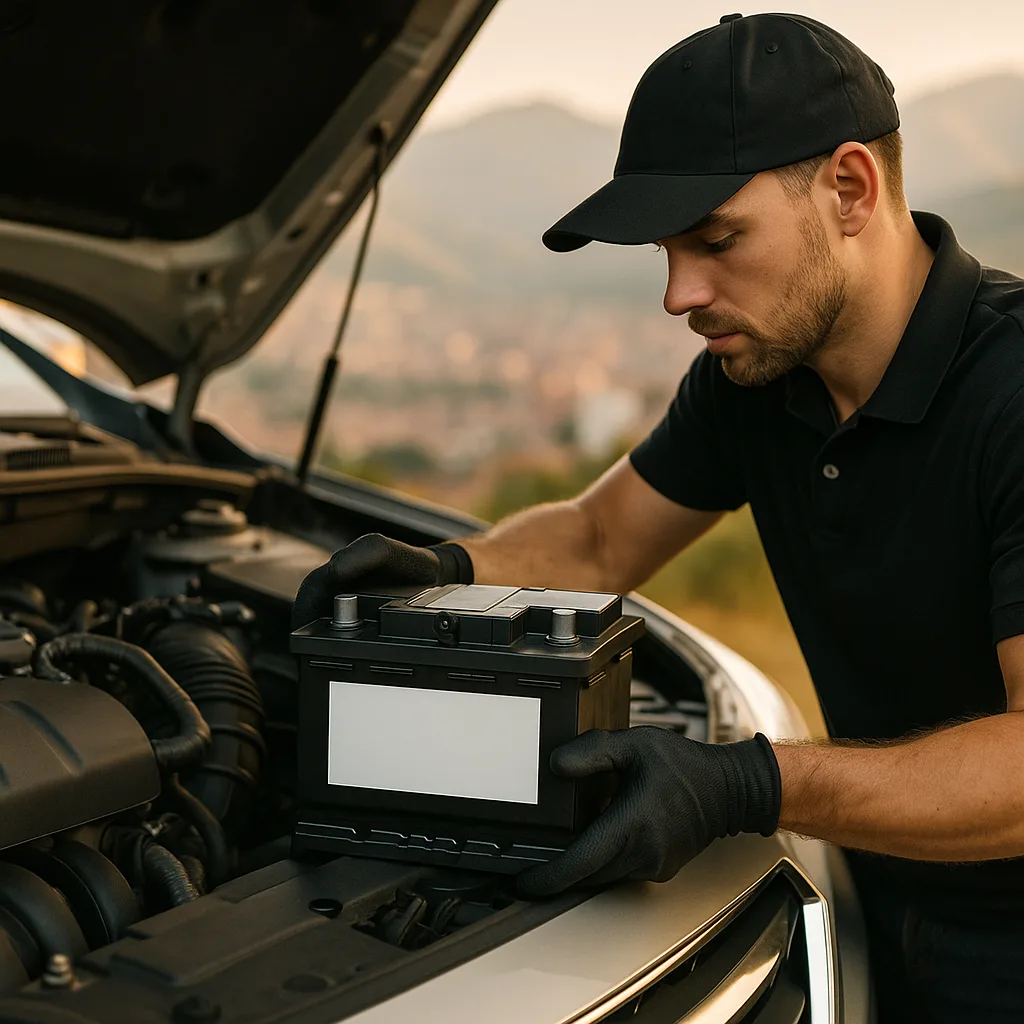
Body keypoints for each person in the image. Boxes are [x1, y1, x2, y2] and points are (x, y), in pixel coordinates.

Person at [292, 14, 1024, 1022]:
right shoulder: (756, 377)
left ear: (849, 189)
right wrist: (450, 569)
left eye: (717, 241)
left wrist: (744, 784)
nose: (680, 293)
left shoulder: (1014, 395)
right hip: (875, 899)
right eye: (668, 252)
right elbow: (599, 538)